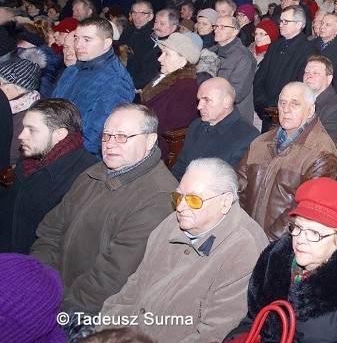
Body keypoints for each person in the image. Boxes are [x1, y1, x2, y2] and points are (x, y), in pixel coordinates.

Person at [100, 158, 268, 343]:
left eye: (194, 200)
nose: (180, 207)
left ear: (225, 201)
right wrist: (105, 334)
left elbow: (212, 335)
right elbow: (132, 289)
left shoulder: (245, 249)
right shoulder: (171, 224)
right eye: (178, 197)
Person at [30, 104, 177, 313]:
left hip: (91, 315)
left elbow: (110, 280)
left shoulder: (159, 198)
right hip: (53, 292)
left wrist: (59, 310)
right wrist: (44, 285)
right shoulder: (94, 173)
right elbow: (49, 233)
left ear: (150, 140)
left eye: (122, 137)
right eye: (106, 135)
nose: (110, 144)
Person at [226, 178, 337, 342]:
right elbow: (252, 321)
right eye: (298, 228)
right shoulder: (274, 260)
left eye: (314, 233)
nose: (301, 239)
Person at [237, 81, 337, 241]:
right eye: (282, 102)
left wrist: (267, 243)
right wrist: (242, 231)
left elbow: (304, 210)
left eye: (295, 103)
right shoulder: (260, 142)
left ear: (311, 109)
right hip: (247, 237)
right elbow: (238, 190)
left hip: (281, 245)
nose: (286, 109)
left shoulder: (321, 153)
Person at [0, 99, 96, 254]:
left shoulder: (86, 177)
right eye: (24, 127)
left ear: (59, 134)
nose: (21, 135)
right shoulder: (28, 160)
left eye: (32, 130)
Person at [52, 17, 135, 155]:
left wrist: (57, 153)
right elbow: (52, 110)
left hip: (80, 159)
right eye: (76, 39)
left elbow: (96, 138)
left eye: (87, 40)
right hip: (57, 145)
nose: (78, 45)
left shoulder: (116, 81)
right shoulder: (72, 70)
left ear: (106, 43)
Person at [170, 77, 259, 180]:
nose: (199, 106)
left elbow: (234, 184)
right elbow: (181, 166)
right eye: (199, 100)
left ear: (227, 101)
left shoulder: (248, 136)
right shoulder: (196, 126)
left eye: (206, 100)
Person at [253, 5, 314, 131]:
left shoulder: (309, 50)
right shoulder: (275, 45)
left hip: (286, 111)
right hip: (266, 111)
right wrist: (260, 102)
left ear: (299, 24)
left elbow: (298, 83)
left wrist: (273, 104)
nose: (281, 24)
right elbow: (260, 75)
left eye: (286, 21)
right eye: (281, 21)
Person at [139, 32, 200, 158]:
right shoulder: (165, 78)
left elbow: (173, 134)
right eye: (162, 53)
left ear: (183, 60)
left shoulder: (186, 89)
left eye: (166, 54)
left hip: (156, 152)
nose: (159, 58)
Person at [212, 15, 256, 123]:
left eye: (222, 27)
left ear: (235, 31)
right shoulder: (210, 52)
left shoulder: (244, 57)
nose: (217, 30)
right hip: (213, 112)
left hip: (235, 118)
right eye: (216, 26)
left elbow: (237, 94)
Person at [303, 55, 337, 141]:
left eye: (315, 73)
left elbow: (322, 145)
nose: (308, 76)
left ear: (329, 79)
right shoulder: (299, 99)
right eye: (306, 72)